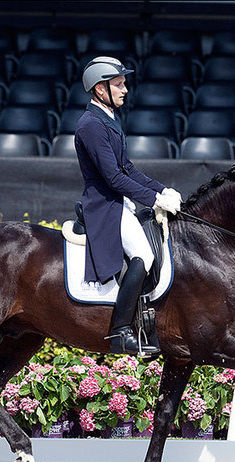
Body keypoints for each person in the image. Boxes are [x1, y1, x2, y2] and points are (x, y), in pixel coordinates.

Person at [74, 56, 183, 356]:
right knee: (144, 255)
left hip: (118, 201)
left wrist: (162, 189)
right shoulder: (91, 125)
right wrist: (153, 200)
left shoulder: (108, 119)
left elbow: (128, 169)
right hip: (104, 205)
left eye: (124, 84)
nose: (125, 90)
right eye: (119, 84)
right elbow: (112, 178)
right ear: (100, 89)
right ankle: (120, 330)